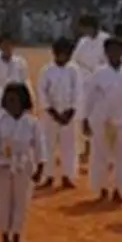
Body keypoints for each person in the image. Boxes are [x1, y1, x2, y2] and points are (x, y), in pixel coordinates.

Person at [0, 84, 46, 242]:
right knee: (2, 204)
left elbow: (40, 146)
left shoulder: (32, 123)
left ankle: (17, 238)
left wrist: (40, 168)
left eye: (15, 100)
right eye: (8, 100)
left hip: (23, 167)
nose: (11, 104)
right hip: (3, 166)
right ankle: (5, 238)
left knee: (21, 203)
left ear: (23, 101)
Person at [82, 38, 122, 204]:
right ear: (106, 52)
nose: (114, 53)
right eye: (111, 50)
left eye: (118, 50)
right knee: (100, 155)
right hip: (101, 119)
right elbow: (89, 97)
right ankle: (102, 188)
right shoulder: (98, 73)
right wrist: (85, 118)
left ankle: (120, 190)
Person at [37, 39, 81, 190]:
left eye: (67, 54)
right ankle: (48, 176)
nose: (64, 56)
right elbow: (42, 93)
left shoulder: (74, 70)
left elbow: (77, 92)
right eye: (61, 53)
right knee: (48, 145)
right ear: (54, 53)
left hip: (68, 114)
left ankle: (67, 176)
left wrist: (71, 111)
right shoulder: (46, 70)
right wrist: (53, 112)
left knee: (69, 146)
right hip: (50, 114)